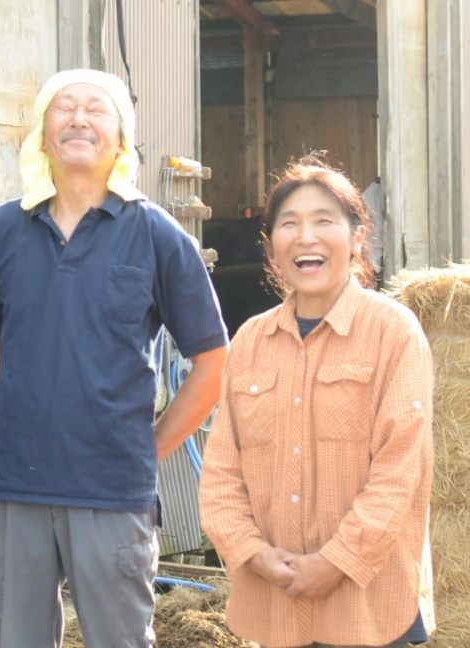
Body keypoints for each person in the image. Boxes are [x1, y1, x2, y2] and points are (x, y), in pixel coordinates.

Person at [0, 69, 229, 648]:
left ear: (121, 137)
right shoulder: (1, 231)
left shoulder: (156, 235)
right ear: (42, 131)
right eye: (64, 108)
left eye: (96, 110)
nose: (79, 119)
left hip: (112, 489)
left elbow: (213, 359)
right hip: (15, 489)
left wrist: (149, 447)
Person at [199, 158, 435, 648]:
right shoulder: (250, 342)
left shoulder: (393, 334)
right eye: (289, 224)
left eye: (324, 220)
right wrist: (252, 553)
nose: (305, 236)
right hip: (276, 604)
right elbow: (221, 472)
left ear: (355, 237)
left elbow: (400, 472)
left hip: (371, 611)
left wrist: (338, 561)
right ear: (271, 248)